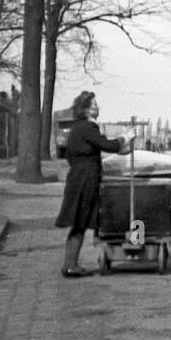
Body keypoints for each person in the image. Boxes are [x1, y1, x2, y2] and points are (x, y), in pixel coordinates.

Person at [55, 91, 131, 277]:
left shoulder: (78, 127)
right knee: (80, 222)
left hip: (78, 177)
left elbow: (72, 154)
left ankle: (69, 264)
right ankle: (70, 266)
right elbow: (109, 146)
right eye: (94, 104)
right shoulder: (89, 127)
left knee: (78, 222)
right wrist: (125, 137)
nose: (98, 107)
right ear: (86, 109)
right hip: (85, 180)